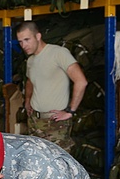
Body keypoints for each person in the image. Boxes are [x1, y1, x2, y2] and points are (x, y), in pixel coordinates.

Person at [15, 20, 87, 152]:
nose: (24, 45)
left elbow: (81, 81)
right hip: (35, 121)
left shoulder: (59, 53)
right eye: (20, 41)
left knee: (58, 164)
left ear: (38, 36)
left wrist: (70, 111)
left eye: (27, 39)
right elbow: (30, 81)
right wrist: (27, 101)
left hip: (55, 123)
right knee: (38, 161)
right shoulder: (30, 60)